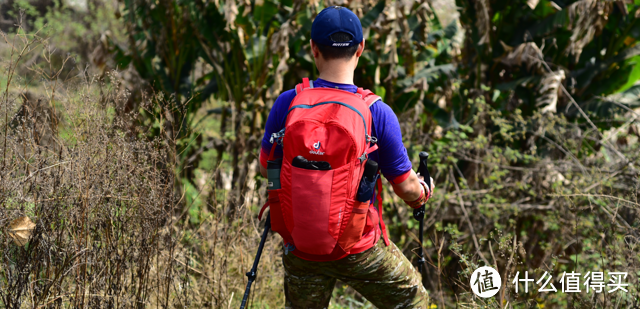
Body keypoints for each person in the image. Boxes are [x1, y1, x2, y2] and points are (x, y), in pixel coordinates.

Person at [259, 6, 434, 309]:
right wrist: (423, 190)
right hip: (359, 247)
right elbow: (407, 189)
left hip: (300, 247)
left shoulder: (288, 102)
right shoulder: (377, 113)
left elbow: (267, 166)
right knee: (415, 301)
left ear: (314, 49)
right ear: (361, 49)